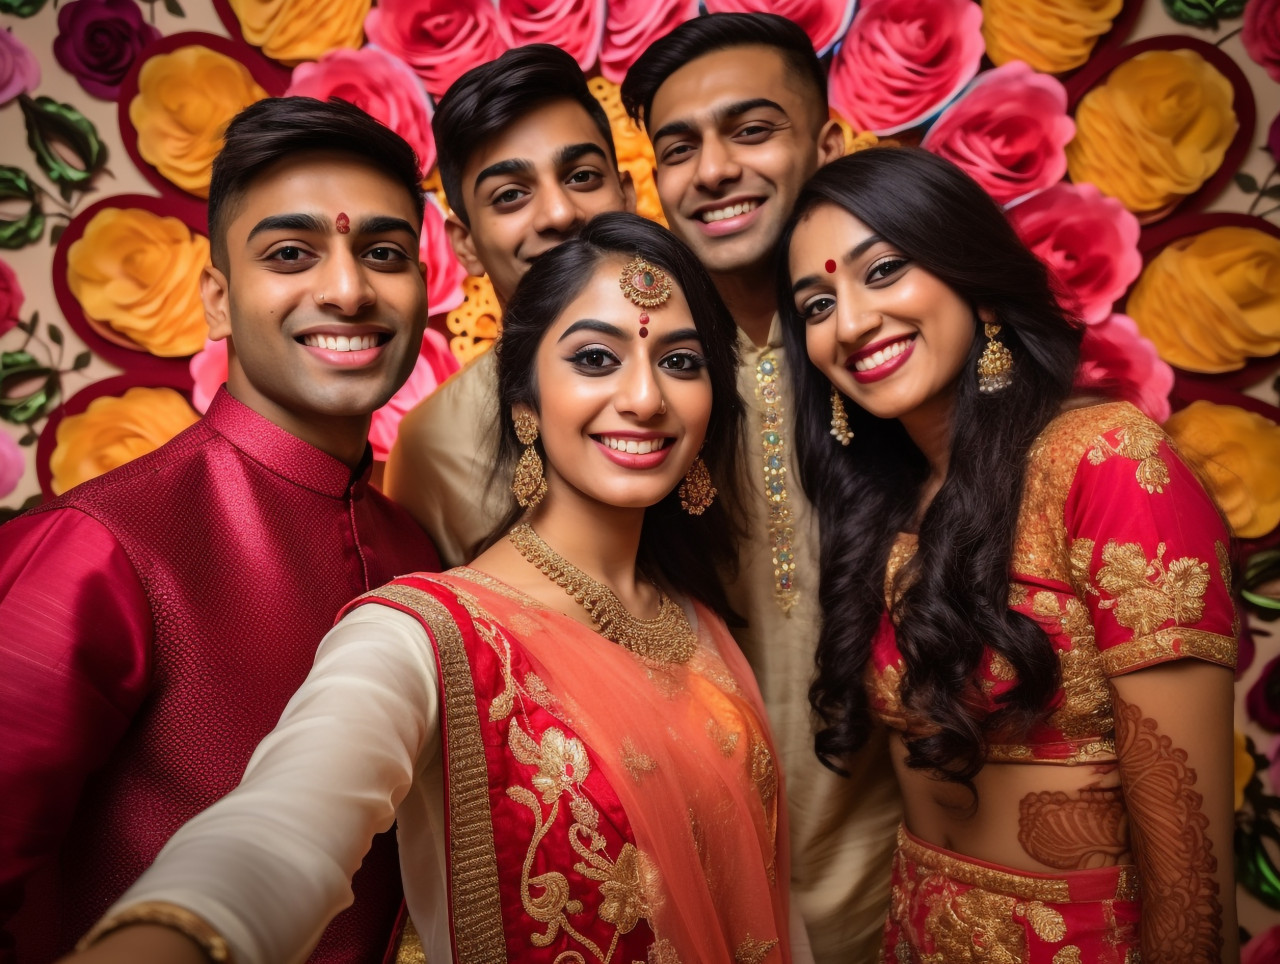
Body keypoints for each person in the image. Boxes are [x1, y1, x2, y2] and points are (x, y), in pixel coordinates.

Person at [64, 213, 798, 964]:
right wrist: (178, 933)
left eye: (680, 362)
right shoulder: (422, 636)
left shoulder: (694, 622)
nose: (645, 398)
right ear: (526, 401)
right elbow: (281, 830)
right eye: (595, 359)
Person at [0, 97, 440, 964]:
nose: (348, 289)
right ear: (216, 299)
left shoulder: (419, 549)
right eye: (289, 254)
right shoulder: (100, 545)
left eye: (383, 253)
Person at [779, 147, 1239, 962]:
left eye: (883, 270)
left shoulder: (1105, 461)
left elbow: (1189, 857)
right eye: (817, 303)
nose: (849, 324)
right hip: (917, 932)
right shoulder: (885, 502)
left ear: (974, 279)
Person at [620, 15, 900, 962]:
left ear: (827, 145)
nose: (712, 171)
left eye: (751, 130)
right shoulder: (643, 396)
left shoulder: (894, 358)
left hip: (912, 891)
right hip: (703, 908)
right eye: (679, 148)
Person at [384, 44, 635, 563]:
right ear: (466, 244)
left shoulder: (722, 368)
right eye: (510, 195)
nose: (560, 213)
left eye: (582, 177)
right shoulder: (433, 445)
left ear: (628, 197)